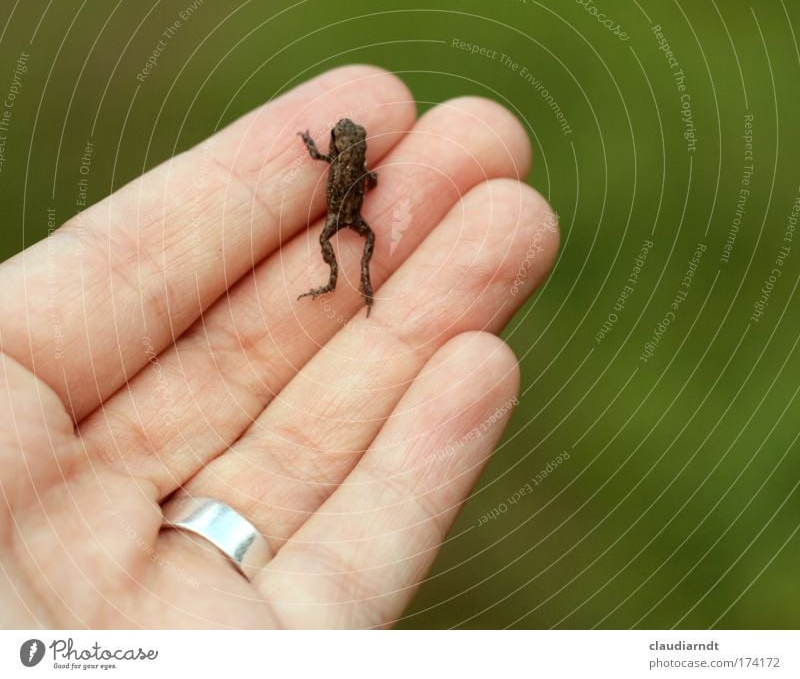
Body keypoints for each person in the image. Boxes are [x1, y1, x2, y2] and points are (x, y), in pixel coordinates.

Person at [0, 65, 558, 628]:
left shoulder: (343, 161)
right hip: (351, 214)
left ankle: (342, 282)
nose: (347, 146)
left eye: (346, 143)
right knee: (358, 242)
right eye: (346, 142)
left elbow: (335, 169)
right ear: (352, 147)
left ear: (349, 146)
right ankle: (347, 283)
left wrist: (317, 151)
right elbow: (365, 181)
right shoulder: (356, 166)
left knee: (341, 243)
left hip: (341, 214)